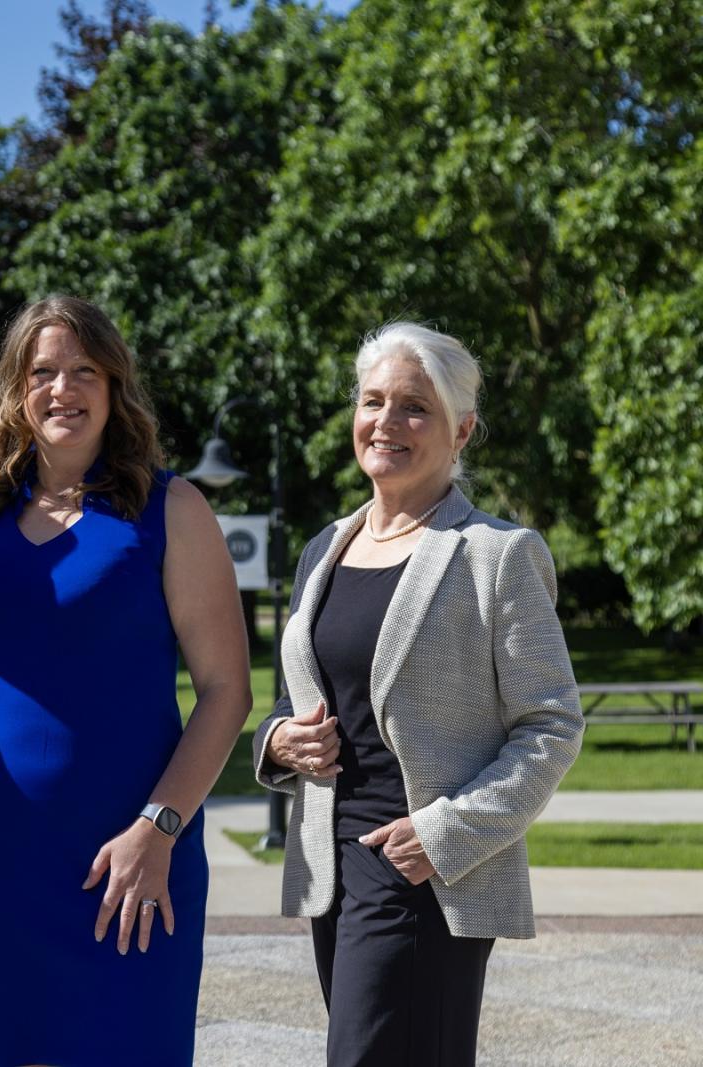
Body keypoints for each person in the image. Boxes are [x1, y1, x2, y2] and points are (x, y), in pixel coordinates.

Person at [0, 295, 252, 1066]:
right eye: (43, 372)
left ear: (113, 385)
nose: (63, 389)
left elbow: (228, 691)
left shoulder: (173, 509)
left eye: (83, 370)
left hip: (132, 865)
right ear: (17, 391)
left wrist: (159, 828)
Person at [253, 322, 584, 1067]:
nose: (387, 422)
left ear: (461, 429)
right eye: (373, 402)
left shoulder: (498, 555)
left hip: (426, 870)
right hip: (331, 869)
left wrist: (444, 833)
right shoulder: (324, 548)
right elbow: (290, 699)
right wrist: (276, 742)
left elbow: (552, 725)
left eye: (415, 407)